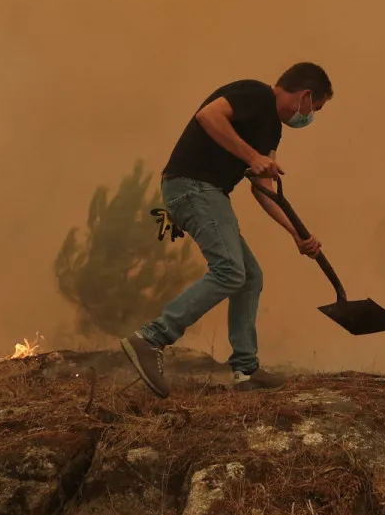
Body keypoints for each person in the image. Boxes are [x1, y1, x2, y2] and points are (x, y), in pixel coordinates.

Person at [121, 62, 333, 396]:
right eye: (315, 108)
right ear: (305, 96)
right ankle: (151, 338)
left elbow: (264, 187)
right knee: (230, 270)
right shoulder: (254, 93)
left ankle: (246, 370)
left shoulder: (272, 131)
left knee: (249, 276)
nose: (310, 117)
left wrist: (296, 234)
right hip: (190, 187)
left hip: (211, 193)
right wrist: (251, 156)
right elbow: (208, 116)